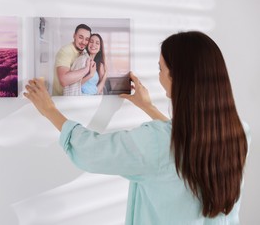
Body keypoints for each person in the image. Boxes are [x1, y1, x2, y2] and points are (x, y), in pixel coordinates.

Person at [24, 31, 250, 224]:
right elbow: (184, 142)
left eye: (160, 68)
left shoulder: (156, 142)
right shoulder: (237, 132)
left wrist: (49, 110)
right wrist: (148, 107)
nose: (158, 74)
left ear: (177, 77)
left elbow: (91, 150)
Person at [52, 24, 92, 96]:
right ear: (74, 36)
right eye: (80, 37)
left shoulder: (84, 53)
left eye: (87, 39)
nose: (83, 42)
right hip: (61, 99)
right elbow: (64, 80)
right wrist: (86, 70)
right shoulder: (65, 51)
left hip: (74, 97)